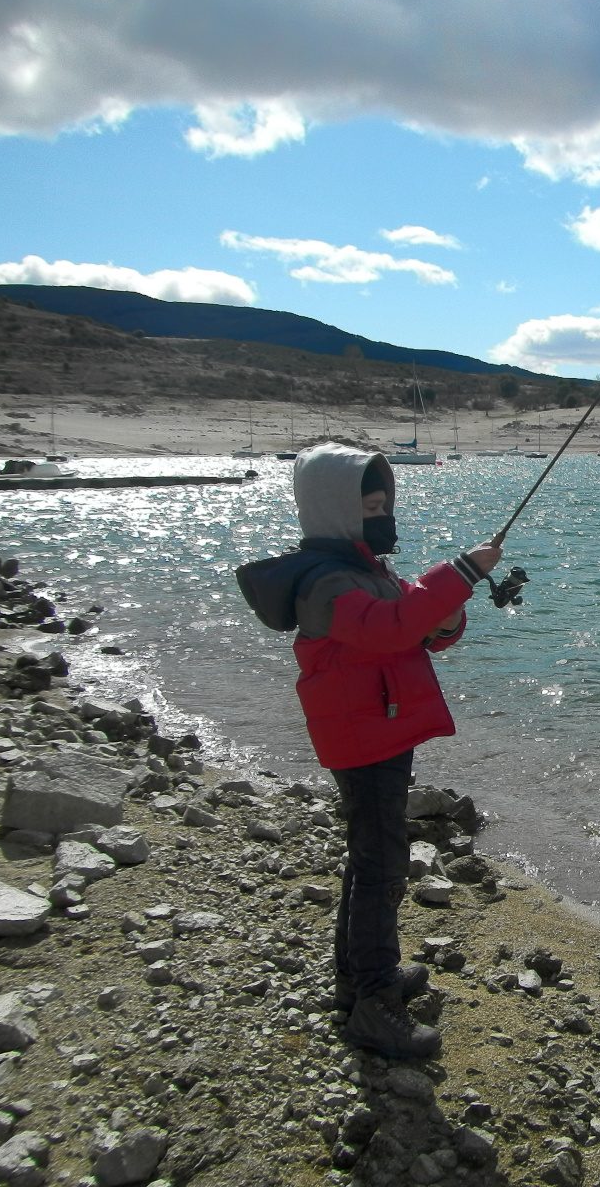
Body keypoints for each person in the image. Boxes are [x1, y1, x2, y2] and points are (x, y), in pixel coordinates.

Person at [239, 442, 501, 1059]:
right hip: (363, 737)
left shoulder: (366, 570)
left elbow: (419, 625)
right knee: (381, 865)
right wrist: (464, 571)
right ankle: (374, 1003)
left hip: (380, 726)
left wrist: (447, 614)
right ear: (339, 512)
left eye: (386, 505)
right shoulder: (326, 582)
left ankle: (356, 980)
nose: (384, 517)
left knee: (370, 860)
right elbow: (389, 629)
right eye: (372, 508)